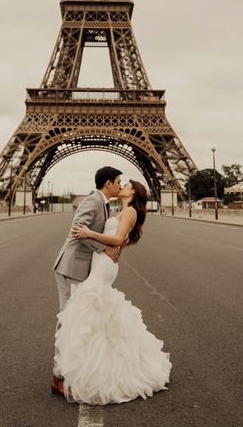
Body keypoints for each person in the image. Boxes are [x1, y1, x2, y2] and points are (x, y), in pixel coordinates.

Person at [53, 178, 172, 405]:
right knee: (93, 313)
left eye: (126, 185)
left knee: (86, 310)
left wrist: (90, 234)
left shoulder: (129, 212)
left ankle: (77, 370)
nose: (122, 186)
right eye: (120, 182)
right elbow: (120, 240)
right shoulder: (122, 210)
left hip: (103, 265)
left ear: (133, 192)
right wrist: (111, 245)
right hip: (102, 262)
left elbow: (117, 239)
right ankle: (86, 367)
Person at [51, 166, 123, 397]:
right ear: (108, 183)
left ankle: (70, 370)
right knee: (68, 319)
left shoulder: (104, 203)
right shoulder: (92, 201)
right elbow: (77, 231)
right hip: (71, 267)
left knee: (76, 318)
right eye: (119, 181)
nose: (121, 185)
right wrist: (104, 248)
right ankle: (58, 376)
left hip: (82, 268)